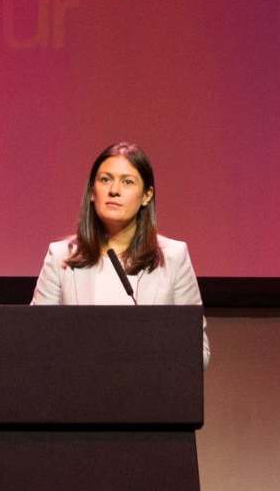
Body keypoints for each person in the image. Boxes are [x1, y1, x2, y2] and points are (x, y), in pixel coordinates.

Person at [32, 141, 209, 364]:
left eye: (127, 182)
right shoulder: (60, 258)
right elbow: (35, 342)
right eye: (105, 180)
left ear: (146, 195)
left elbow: (198, 352)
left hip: (148, 392)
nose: (114, 190)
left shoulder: (174, 257)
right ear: (92, 193)